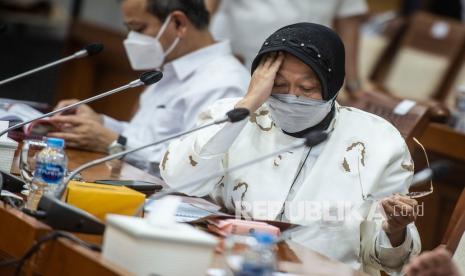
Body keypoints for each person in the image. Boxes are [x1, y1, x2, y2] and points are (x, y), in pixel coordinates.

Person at [160, 23, 421, 274]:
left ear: (332, 85)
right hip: (226, 262)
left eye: (307, 88)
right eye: (279, 85)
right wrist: (249, 102)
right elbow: (179, 180)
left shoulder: (379, 142)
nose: (291, 97)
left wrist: (395, 230)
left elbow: (393, 262)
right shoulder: (234, 116)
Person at [49, 0, 250, 176]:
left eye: (138, 28)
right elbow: (146, 137)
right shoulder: (169, 66)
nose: (130, 39)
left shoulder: (224, 83)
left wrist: (115, 143)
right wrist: (99, 123)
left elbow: (191, 166)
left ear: (179, 23)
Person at [205, 0, 368, 93]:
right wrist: (210, 58)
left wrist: (353, 85)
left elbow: (348, 20)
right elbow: (206, 9)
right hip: (244, 67)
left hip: (313, 75)